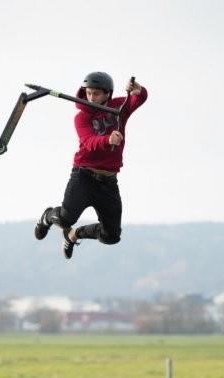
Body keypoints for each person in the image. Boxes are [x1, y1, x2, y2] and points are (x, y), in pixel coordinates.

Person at [34, 71, 148, 259]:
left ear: (107, 94)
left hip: (108, 183)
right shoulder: (81, 117)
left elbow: (139, 99)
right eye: (88, 93)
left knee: (111, 236)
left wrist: (139, 90)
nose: (91, 98)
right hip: (84, 176)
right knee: (64, 219)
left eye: (96, 93)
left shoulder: (119, 108)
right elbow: (88, 141)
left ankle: (73, 235)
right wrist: (107, 140)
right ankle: (47, 217)